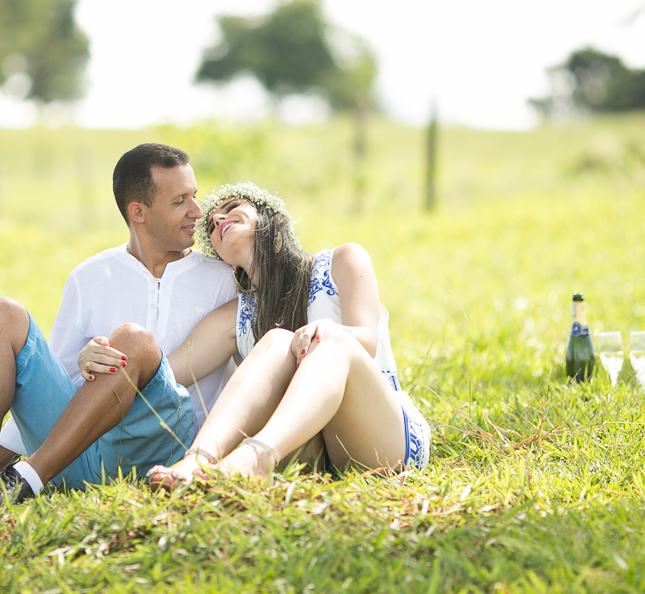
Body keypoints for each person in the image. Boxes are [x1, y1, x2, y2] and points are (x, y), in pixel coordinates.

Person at [0, 144, 236, 510]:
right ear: (138, 212)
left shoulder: (224, 280)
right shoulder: (90, 277)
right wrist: (84, 362)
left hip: (164, 454)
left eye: (194, 196)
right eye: (180, 201)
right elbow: (53, 386)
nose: (197, 211)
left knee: (133, 340)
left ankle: (26, 481)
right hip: (79, 454)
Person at [133, 182, 429, 487]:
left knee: (333, 341)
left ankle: (256, 457)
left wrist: (327, 330)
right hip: (312, 457)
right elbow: (167, 372)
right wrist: (112, 359)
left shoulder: (342, 261)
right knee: (275, 340)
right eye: (211, 225)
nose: (219, 220)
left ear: (273, 219)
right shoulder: (236, 315)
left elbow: (365, 340)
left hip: (383, 441)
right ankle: (198, 460)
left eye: (232, 209)